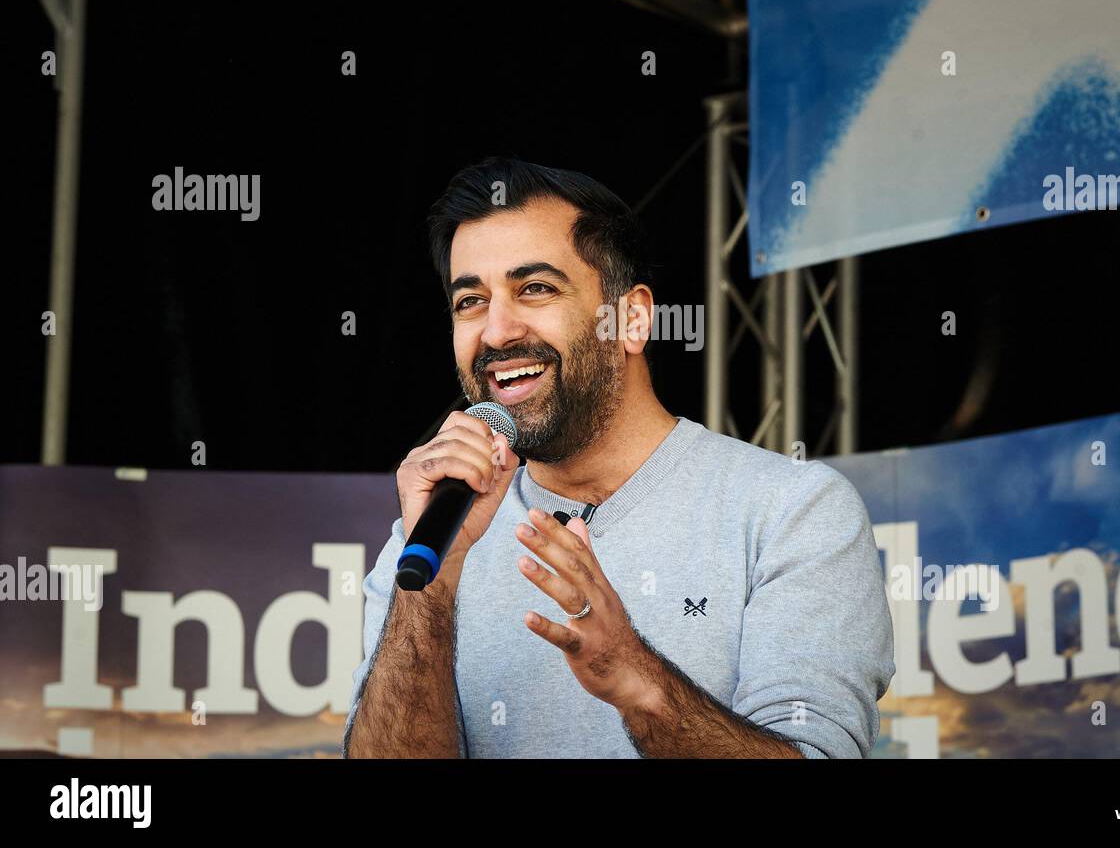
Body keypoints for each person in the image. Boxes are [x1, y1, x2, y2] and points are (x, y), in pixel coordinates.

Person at [342, 157, 895, 758]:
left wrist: (635, 681)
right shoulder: (425, 546)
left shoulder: (791, 510)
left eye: (535, 289)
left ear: (631, 318)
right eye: (469, 301)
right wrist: (434, 588)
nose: (497, 331)